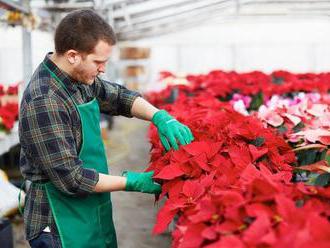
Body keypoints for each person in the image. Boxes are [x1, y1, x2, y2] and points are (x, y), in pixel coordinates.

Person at [19, 9, 194, 248]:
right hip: (57, 222)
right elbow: (72, 178)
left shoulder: (78, 78)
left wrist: (160, 116)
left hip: (88, 205)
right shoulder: (45, 100)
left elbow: (119, 97)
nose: (103, 69)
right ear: (72, 55)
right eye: (98, 62)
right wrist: (133, 181)